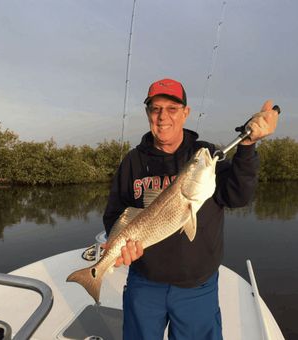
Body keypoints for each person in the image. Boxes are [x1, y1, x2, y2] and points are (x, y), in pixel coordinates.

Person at [103, 78, 278, 340]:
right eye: (156, 109)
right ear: (148, 113)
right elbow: (114, 213)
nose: (163, 117)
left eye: (172, 109)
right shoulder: (132, 161)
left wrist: (247, 146)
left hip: (197, 286)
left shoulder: (204, 154)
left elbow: (238, 195)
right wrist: (118, 244)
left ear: (186, 113)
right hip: (144, 283)